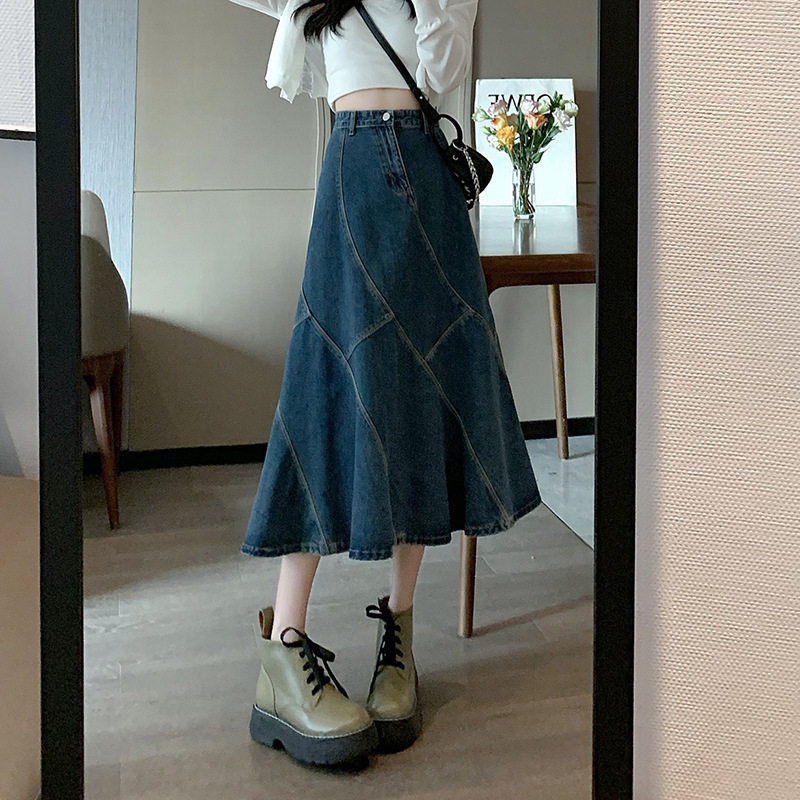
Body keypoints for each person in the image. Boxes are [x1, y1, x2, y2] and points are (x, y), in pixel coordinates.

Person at [226, 0, 542, 767]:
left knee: (420, 399)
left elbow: (444, 70)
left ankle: (398, 641)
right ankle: (285, 650)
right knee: (322, 391)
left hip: (426, 185)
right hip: (351, 172)